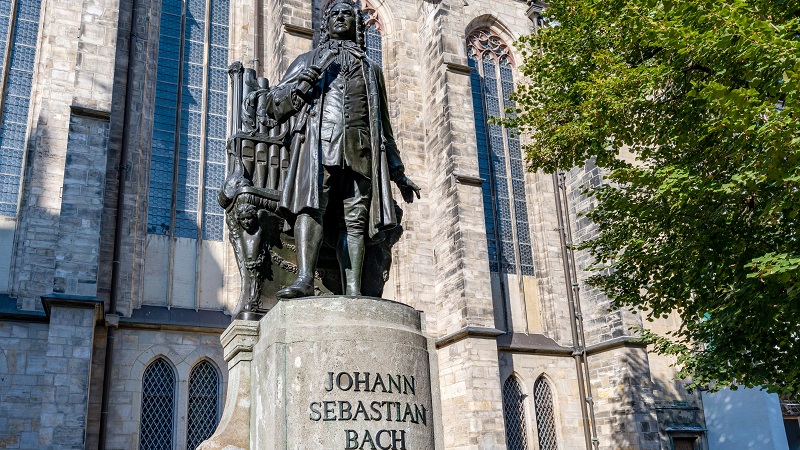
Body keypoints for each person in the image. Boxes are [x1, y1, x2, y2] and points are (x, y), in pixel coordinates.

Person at [263, 0, 420, 298]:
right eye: (333, 14)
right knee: (311, 207)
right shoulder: (308, 60)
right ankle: (305, 279)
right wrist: (301, 86)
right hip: (318, 147)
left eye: (346, 14)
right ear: (326, 23)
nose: (339, 17)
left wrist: (398, 172)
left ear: (356, 23)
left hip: (360, 151)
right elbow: (273, 106)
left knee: (356, 220)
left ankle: (353, 290)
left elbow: (384, 127)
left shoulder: (371, 69)